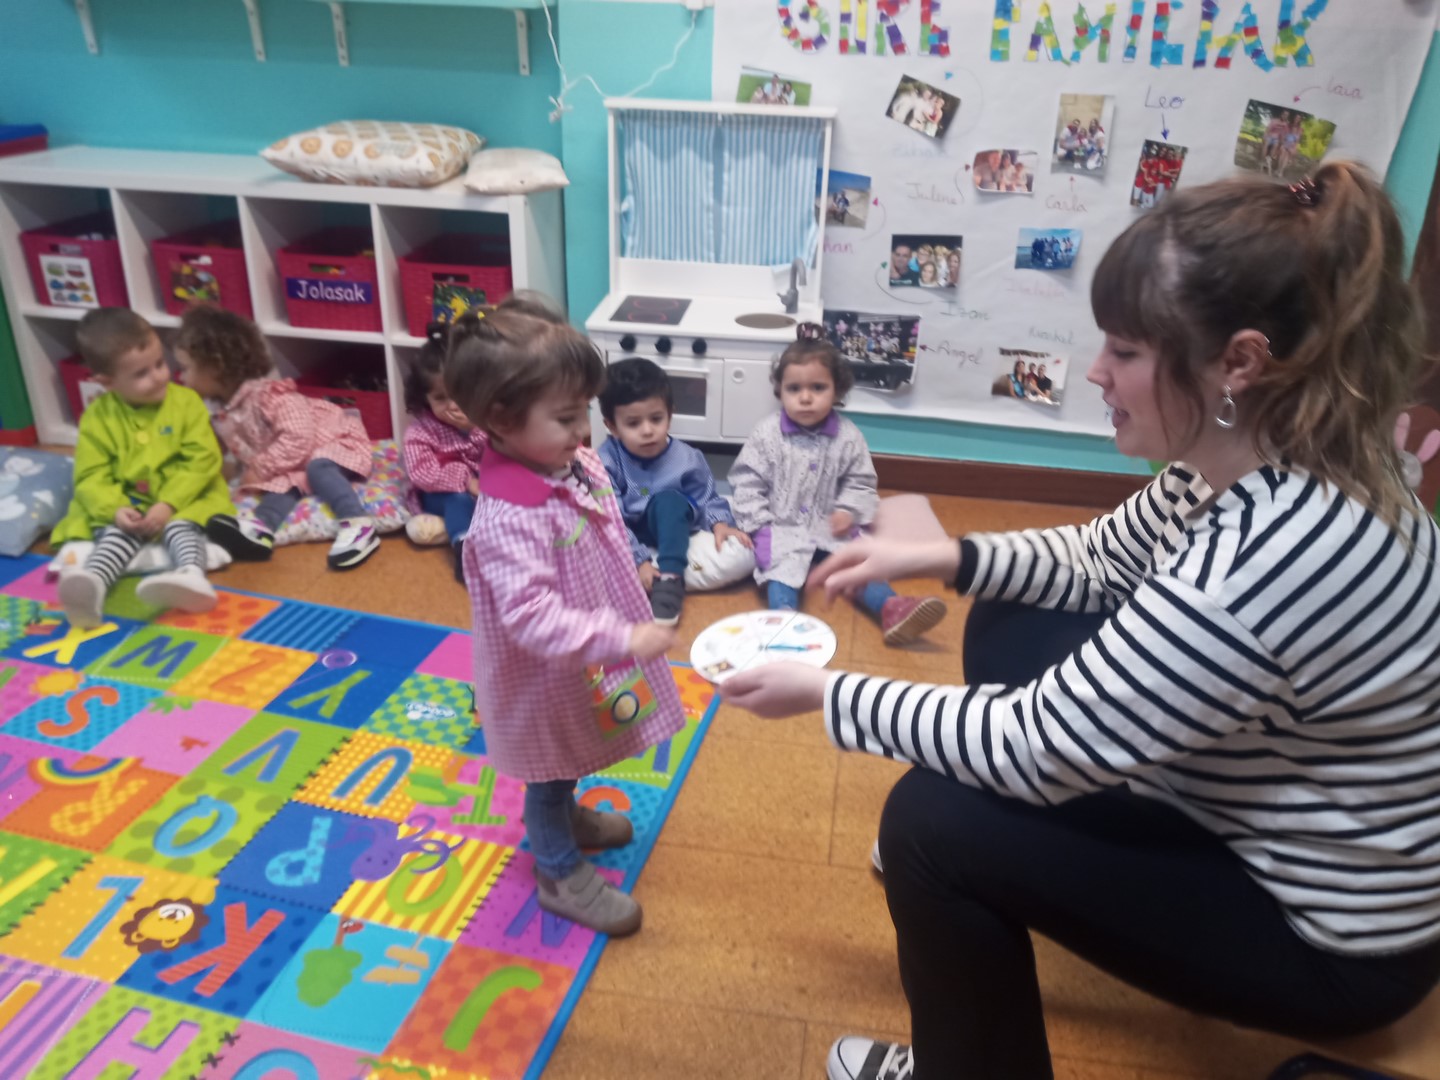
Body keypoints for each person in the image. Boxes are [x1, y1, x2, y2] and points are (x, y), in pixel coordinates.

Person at [720, 162, 1440, 1080]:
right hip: (1264, 814)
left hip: (1327, 940)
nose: (1096, 371)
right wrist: (946, 556)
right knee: (1011, 614)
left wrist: (825, 695)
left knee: (929, 824)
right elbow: (1099, 559)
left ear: (1239, 362)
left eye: (1127, 352)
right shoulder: (1260, 452)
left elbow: (1036, 743)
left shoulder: (1267, 560)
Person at [444, 307, 683, 936]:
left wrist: (636, 567)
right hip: (541, 674)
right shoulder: (509, 520)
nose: (584, 431)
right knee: (548, 769)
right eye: (568, 416)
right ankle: (556, 872)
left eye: (585, 412)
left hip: (579, 659)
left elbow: (605, 521)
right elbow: (533, 617)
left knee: (572, 749)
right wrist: (623, 636)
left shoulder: (567, 460)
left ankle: (566, 817)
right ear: (501, 420)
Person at [728, 328, 947, 646]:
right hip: (782, 526)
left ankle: (891, 607)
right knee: (780, 570)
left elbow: (861, 481)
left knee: (859, 564)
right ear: (780, 391)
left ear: (837, 390)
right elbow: (747, 481)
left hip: (831, 527)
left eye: (817, 387)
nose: (805, 397)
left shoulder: (848, 436)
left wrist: (849, 510)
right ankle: (783, 620)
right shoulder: (766, 434)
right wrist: (760, 526)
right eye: (794, 388)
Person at [52, 308, 232, 628]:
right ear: (106, 382)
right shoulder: (97, 417)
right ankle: (93, 582)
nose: (159, 376)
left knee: (182, 527)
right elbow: (91, 475)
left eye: (160, 363)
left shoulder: (187, 402)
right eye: (141, 374)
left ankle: (191, 576)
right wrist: (115, 509)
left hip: (184, 499)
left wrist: (169, 503)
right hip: (129, 504)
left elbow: (203, 459)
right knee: (117, 533)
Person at [173, 307, 378, 570]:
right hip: (294, 461)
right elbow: (215, 448)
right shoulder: (218, 409)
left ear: (216, 367)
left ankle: (358, 523)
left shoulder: (268, 396)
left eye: (185, 368)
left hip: (333, 442)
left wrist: (261, 467)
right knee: (281, 485)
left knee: (318, 467)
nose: (181, 377)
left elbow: (299, 437)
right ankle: (260, 528)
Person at [597, 357, 753, 625]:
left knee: (741, 551)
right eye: (633, 424)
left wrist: (720, 524)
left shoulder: (687, 457)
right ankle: (644, 573)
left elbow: (707, 497)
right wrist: (639, 561)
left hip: (674, 526)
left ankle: (670, 579)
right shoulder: (606, 460)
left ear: (670, 415)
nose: (647, 431)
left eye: (656, 419)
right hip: (631, 531)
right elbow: (611, 518)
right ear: (612, 427)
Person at [401, 321, 488, 582]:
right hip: (443, 494)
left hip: (485, 489)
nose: (453, 405)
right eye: (441, 398)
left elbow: (504, 449)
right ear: (424, 399)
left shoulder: (485, 419)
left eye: (460, 393)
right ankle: (463, 549)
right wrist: (465, 481)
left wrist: (474, 426)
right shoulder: (420, 432)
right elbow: (421, 474)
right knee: (458, 501)